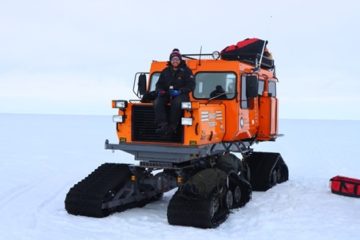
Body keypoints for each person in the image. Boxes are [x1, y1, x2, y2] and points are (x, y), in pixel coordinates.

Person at [154, 49, 195, 134]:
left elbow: (191, 85)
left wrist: (180, 91)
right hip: (168, 93)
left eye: (177, 59)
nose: (175, 61)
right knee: (158, 101)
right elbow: (159, 84)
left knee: (176, 103)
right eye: (173, 59)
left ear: (180, 60)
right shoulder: (165, 71)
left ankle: (172, 126)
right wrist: (160, 91)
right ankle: (163, 125)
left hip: (182, 95)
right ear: (170, 60)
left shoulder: (187, 71)